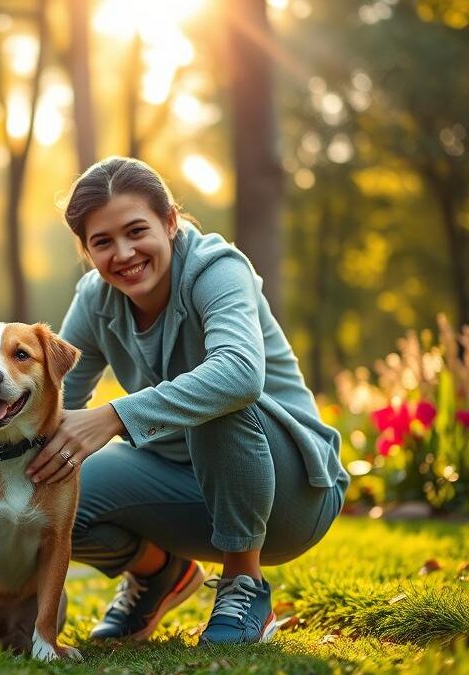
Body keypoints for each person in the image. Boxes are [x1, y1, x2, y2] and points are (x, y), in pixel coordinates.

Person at [25, 156, 349, 646]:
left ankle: (245, 584)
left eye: (137, 231)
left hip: (294, 496)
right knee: (46, 487)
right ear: (87, 251)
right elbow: (53, 397)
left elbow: (240, 376)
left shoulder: (217, 270)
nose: (124, 252)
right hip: (188, 492)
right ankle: (161, 574)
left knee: (219, 394)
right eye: (103, 242)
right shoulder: (94, 298)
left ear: (170, 222)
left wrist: (115, 416)